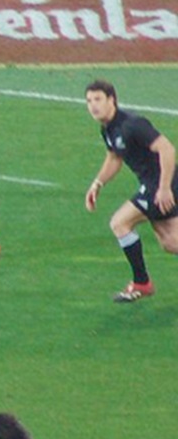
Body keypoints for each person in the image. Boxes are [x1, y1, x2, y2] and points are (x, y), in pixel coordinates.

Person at [84, 79, 177, 301]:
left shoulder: (132, 125)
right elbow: (114, 158)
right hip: (155, 185)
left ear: (112, 100)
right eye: (89, 101)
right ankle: (142, 283)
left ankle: (141, 283)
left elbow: (167, 148)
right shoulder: (107, 129)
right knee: (170, 241)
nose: (93, 105)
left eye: (98, 99)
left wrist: (164, 187)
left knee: (120, 223)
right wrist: (97, 183)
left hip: (161, 185)